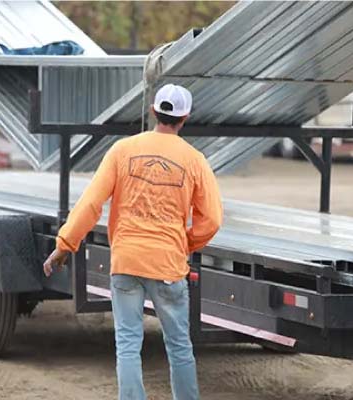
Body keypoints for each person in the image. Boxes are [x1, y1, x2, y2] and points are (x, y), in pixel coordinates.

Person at [43, 83, 223, 400]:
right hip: (168, 265)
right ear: (185, 118)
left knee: (127, 344)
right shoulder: (194, 160)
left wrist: (64, 245)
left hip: (125, 262)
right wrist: (184, 244)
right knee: (179, 346)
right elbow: (212, 219)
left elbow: (90, 204)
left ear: (153, 112)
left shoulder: (122, 151)